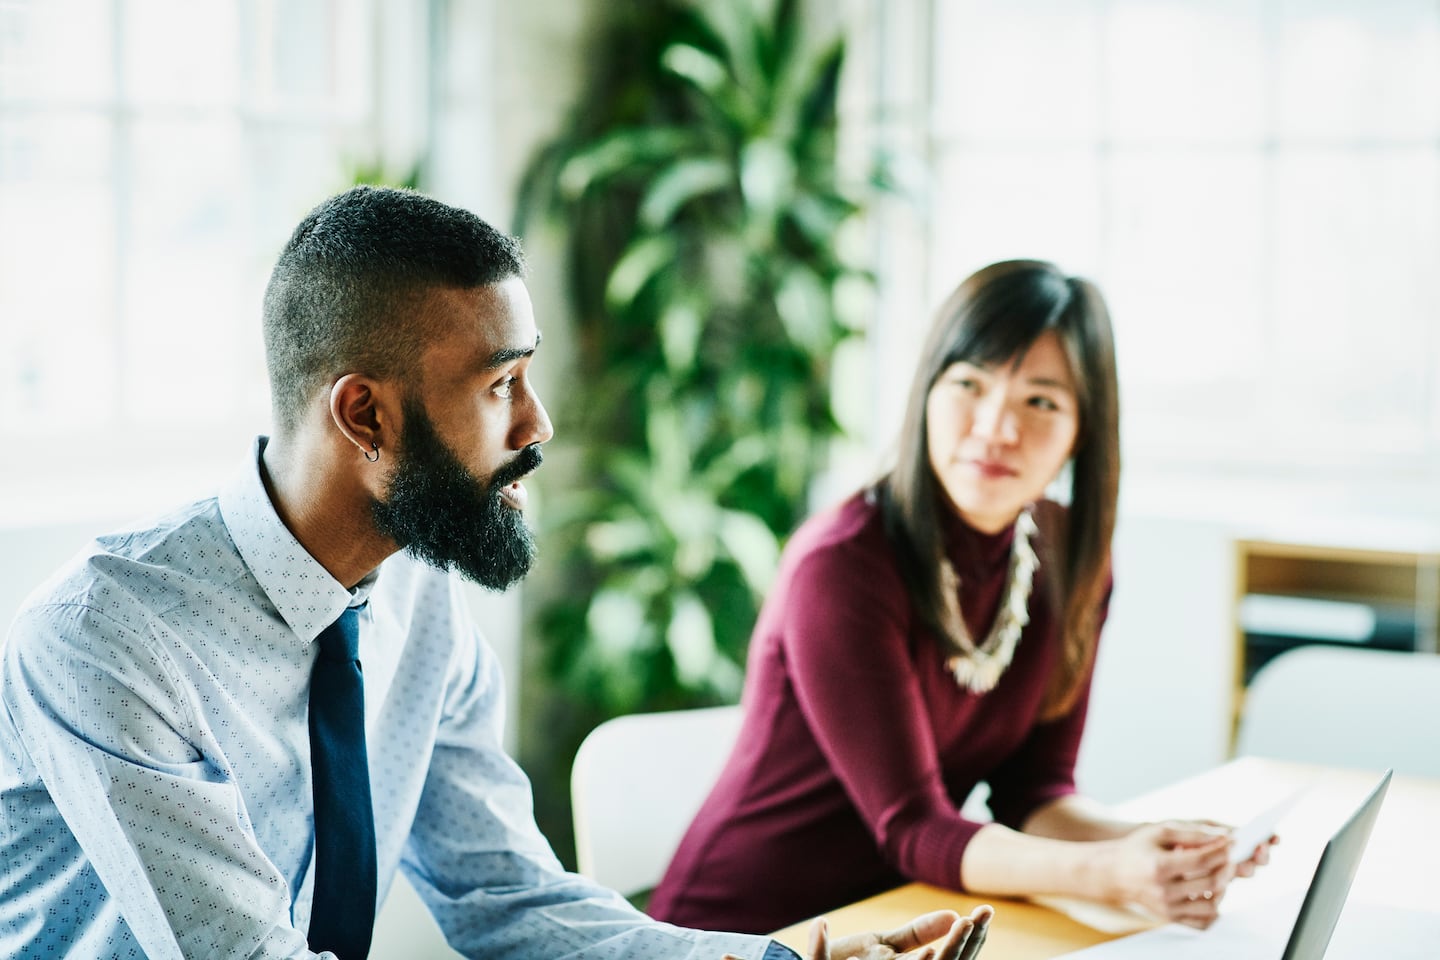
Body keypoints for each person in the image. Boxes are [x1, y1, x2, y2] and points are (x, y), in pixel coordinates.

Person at [0, 186, 992, 960]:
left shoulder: (418, 599)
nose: (538, 426)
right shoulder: (106, 638)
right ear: (365, 417)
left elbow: (508, 897)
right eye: (499, 385)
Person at [649, 260, 1272, 936]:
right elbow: (914, 827)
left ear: (1082, 430)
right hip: (749, 932)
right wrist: (1116, 875)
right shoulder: (844, 565)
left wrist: (1157, 848)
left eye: (1041, 400)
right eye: (970, 385)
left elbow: (1035, 792)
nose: (996, 428)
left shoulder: (1067, 558)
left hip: (902, 924)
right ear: (926, 395)